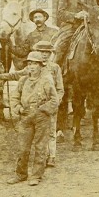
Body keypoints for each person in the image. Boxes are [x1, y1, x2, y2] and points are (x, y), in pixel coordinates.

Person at [4, 52, 60, 186]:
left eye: (35, 64)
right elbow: (14, 97)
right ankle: (21, 174)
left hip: (41, 117)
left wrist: (43, 109)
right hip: (26, 116)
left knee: (40, 146)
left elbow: (54, 100)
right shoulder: (23, 80)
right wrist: (18, 108)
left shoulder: (46, 80)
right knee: (23, 147)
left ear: (41, 66)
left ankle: (36, 175)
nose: (32, 67)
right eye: (29, 64)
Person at [53, 0, 98, 70]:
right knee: (59, 47)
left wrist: (91, 14)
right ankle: (54, 72)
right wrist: (76, 15)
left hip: (88, 27)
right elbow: (60, 13)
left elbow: (96, 10)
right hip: (71, 28)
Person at [32, 39, 65, 167]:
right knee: (39, 132)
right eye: (41, 52)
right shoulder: (33, 67)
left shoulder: (55, 68)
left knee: (51, 131)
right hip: (36, 105)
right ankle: (41, 156)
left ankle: (52, 156)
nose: (44, 54)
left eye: (47, 52)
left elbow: (60, 88)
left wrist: (55, 102)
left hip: (50, 104)